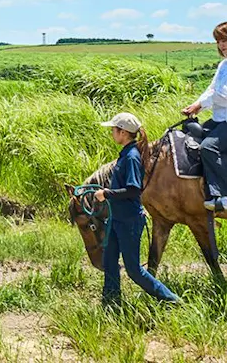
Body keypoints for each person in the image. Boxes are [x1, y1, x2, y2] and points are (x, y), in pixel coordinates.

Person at [93, 112, 181, 307]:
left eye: (113, 130)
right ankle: (111, 304)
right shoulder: (126, 154)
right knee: (109, 262)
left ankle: (173, 301)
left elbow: (133, 190)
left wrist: (106, 194)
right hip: (117, 219)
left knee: (134, 270)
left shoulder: (131, 157)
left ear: (123, 132)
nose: (112, 134)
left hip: (128, 221)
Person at [182, 21, 227, 212]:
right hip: (219, 119)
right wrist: (196, 105)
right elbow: (212, 89)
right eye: (219, 41)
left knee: (208, 147)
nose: (222, 45)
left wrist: (201, 104)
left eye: (225, 40)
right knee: (189, 133)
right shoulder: (223, 65)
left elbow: (224, 95)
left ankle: (224, 196)